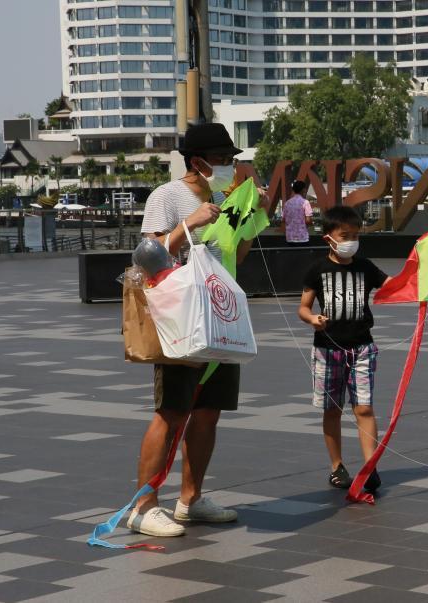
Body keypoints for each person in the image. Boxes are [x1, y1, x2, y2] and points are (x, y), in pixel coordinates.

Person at [128, 122, 263, 538]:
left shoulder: (228, 196)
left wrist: (252, 212)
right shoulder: (167, 196)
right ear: (198, 161)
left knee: (208, 413)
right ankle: (143, 505)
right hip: (181, 318)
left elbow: (239, 249)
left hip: (221, 317)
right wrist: (189, 223)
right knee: (171, 412)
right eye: (223, 159)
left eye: (232, 159)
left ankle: (191, 498)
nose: (229, 166)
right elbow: (145, 257)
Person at [298, 206, 388, 492]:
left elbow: (393, 287)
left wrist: (421, 281)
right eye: (345, 235)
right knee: (332, 410)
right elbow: (303, 307)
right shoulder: (317, 269)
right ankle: (336, 466)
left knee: (364, 407)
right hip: (327, 349)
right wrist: (313, 319)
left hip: (363, 347)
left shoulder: (366, 267)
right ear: (329, 238)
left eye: (356, 235)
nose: (351, 240)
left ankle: (369, 466)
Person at [281, 180, 313, 246]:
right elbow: (308, 220)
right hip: (302, 238)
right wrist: (312, 224)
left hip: (290, 238)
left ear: (293, 190)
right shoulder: (305, 202)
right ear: (303, 190)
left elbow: (283, 220)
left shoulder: (287, 203)